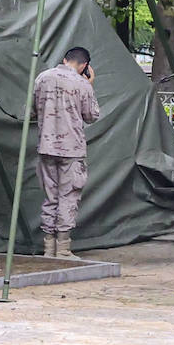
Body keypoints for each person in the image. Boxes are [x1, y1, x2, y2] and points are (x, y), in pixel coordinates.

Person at [32, 45, 101, 258]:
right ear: (85, 66)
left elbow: (33, 110)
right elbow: (92, 115)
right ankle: (63, 249)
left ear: (64, 59)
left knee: (50, 197)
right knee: (68, 197)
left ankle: (48, 249)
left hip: (46, 146)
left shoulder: (42, 78)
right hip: (72, 150)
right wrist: (89, 84)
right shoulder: (83, 84)